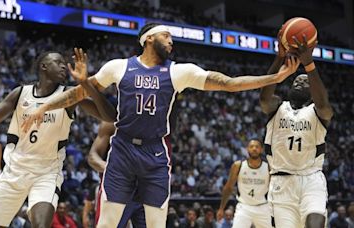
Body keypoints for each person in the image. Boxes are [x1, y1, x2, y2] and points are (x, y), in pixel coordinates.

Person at [22, 23, 299, 228]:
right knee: (106, 223)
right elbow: (76, 94)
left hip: (155, 154)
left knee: (156, 224)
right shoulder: (118, 67)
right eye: (167, 36)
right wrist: (44, 107)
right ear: (149, 39)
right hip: (122, 151)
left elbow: (228, 83)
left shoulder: (179, 72)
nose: (171, 42)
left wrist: (275, 78)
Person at [0, 49, 116, 227]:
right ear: (43, 66)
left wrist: (84, 83)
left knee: (41, 225)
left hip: (46, 173)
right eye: (57, 62)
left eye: (63, 63)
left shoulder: (69, 95)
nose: (63, 67)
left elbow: (109, 116)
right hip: (14, 171)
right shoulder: (20, 93)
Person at [260, 33, 334, 228]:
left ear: (312, 94)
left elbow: (323, 103)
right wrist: (279, 58)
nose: (300, 81)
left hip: (311, 180)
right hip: (281, 183)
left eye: (306, 82)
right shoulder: (277, 107)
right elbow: (264, 99)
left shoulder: (318, 113)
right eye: (296, 80)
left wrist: (309, 65)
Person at [85, 121, 146, 228]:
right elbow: (92, 156)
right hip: (116, 187)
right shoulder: (111, 123)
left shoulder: (152, 122)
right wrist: (111, 168)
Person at [217, 139, 271, 228]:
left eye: (257, 147)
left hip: (263, 207)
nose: (254, 149)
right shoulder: (238, 165)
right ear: (247, 149)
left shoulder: (268, 166)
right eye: (251, 146)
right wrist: (221, 208)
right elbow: (228, 187)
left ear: (261, 149)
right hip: (244, 207)